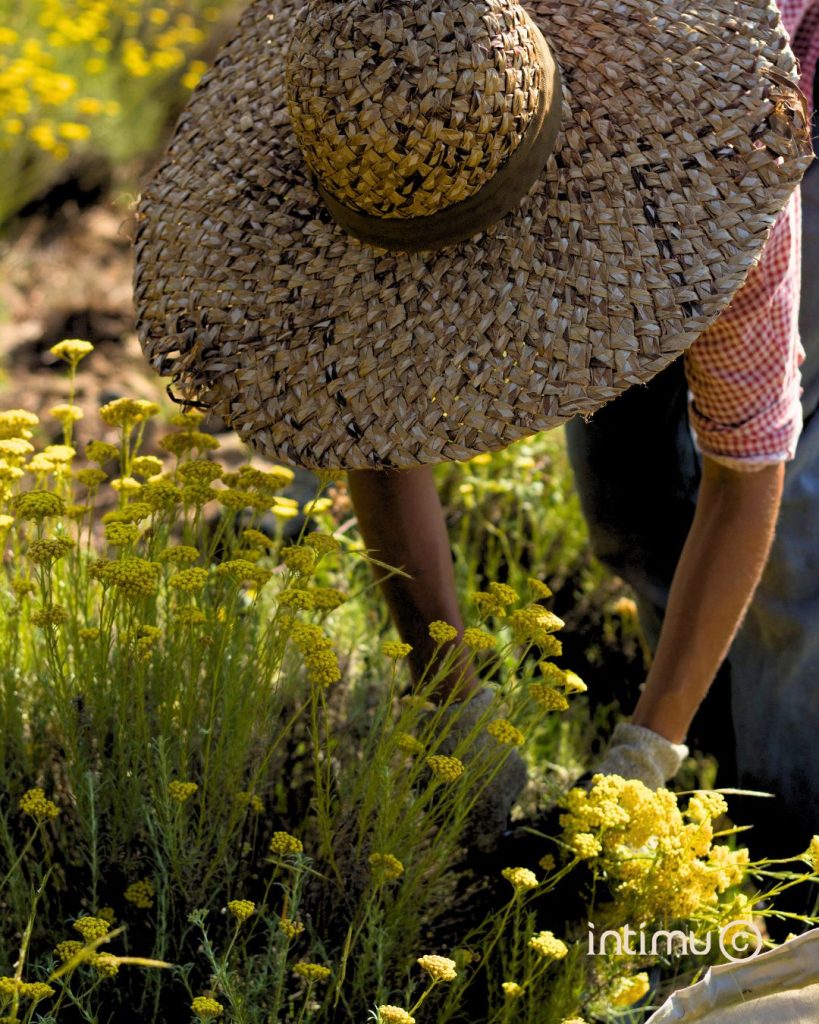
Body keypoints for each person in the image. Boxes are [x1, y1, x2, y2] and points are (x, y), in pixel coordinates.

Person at [132, 0, 813, 855]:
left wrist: (643, 758)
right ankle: (699, 743)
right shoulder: (375, 109)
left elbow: (749, 467)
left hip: (779, 88)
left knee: (796, 556)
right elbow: (374, 434)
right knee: (626, 499)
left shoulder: (718, 156)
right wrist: (450, 703)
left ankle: (784, 832)